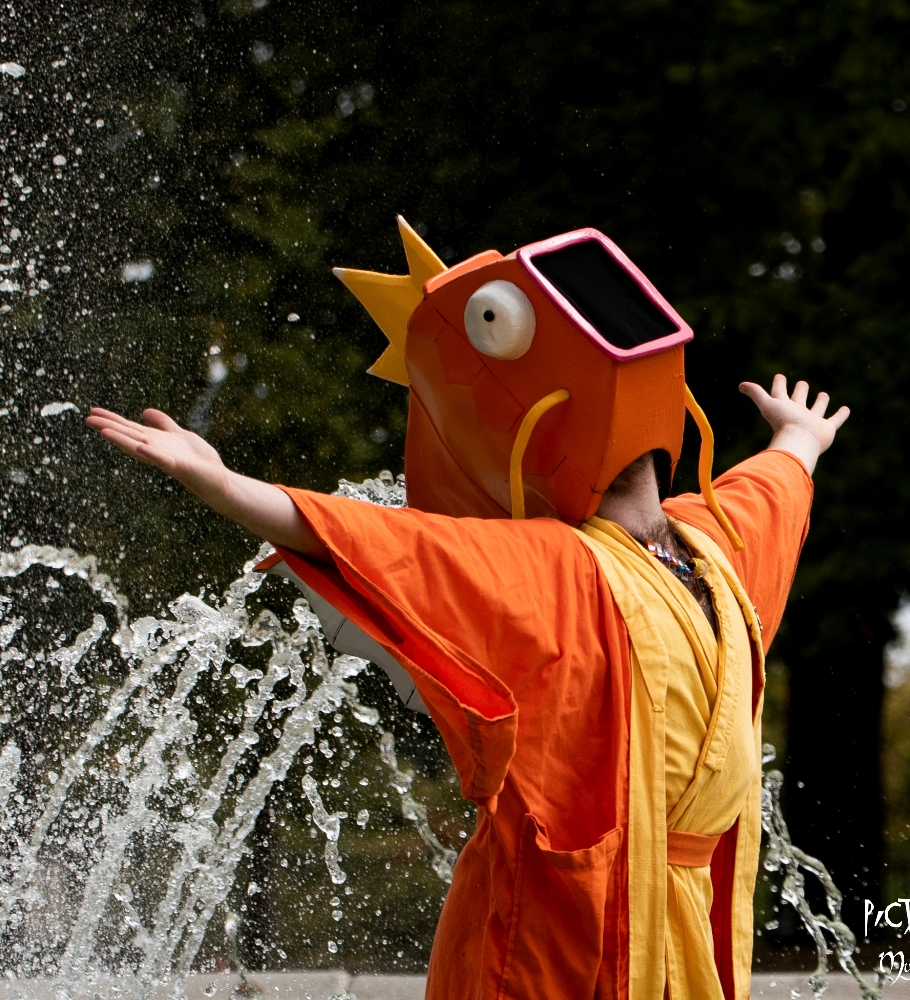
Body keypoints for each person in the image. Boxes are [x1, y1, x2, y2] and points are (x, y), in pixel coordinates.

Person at [87, 223, 848, 1000]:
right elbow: (393, 543)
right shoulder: (565, 565)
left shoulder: (711, 546)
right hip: (557, 933)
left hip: (679, 929)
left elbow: (772, 492)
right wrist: (227, 486)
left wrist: (797, 441)